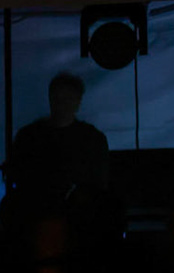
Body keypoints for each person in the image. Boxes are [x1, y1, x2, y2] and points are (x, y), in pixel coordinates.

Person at [9, 73, 109, 212]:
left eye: (67, 99)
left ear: (78, 101)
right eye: (58, 99)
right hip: (41, 213)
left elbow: (98, 184)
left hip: (74, 214)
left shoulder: (93, 139)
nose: (62, 105)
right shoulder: (29, 136)